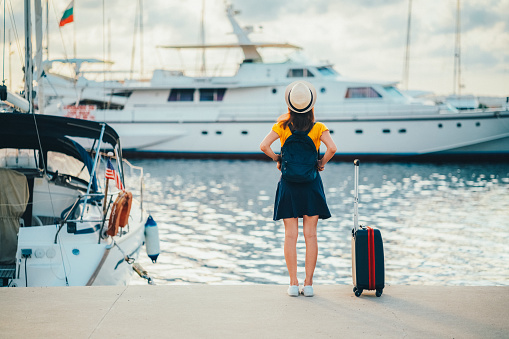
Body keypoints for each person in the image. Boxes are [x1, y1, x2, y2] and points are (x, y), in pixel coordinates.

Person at [260, 80, 337, 297]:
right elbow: (332, 148)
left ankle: (293, 284)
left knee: (290, 236)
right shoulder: (319, 127)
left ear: (290, 106)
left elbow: (263, 145)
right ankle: (309, 284)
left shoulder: (282, 127)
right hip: (311, 184)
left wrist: (277, 158)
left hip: (289, 185)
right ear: (311, 106)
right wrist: (321, 162)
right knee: (310, 236)